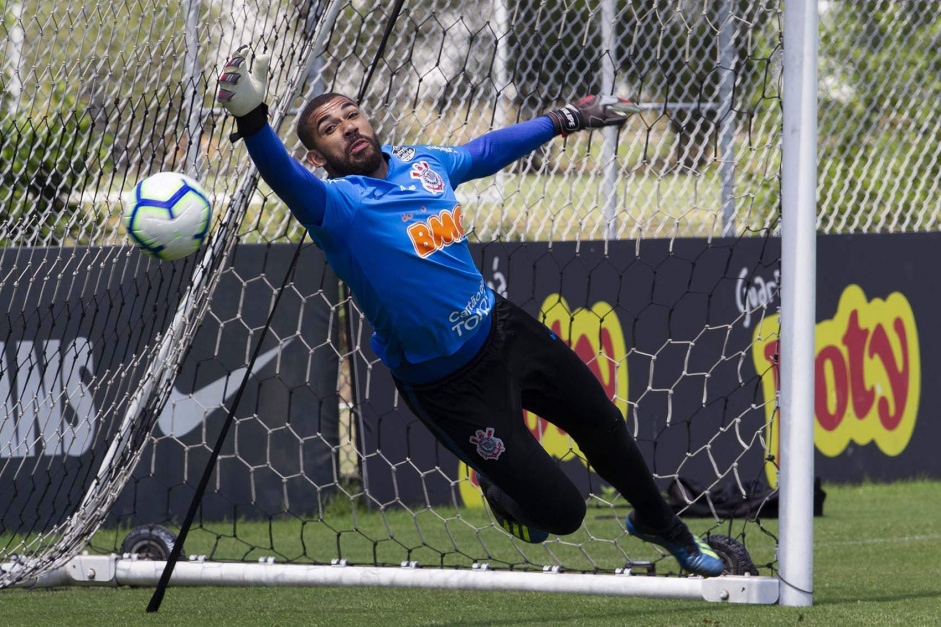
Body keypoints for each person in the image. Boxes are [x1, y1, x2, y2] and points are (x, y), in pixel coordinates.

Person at [216, 45, 723, 577]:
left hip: (501, 329)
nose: (347, 126)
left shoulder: (423, 164)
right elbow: (282, 177)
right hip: (449, 387)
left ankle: (663, 525)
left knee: (603, 424)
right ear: (317, 157)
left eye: (351, 113)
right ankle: (497, 479)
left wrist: (565, 118)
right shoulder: (337, 207)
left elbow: (484, 151)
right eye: (327, 127)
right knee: (562, 515)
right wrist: (253, 121)